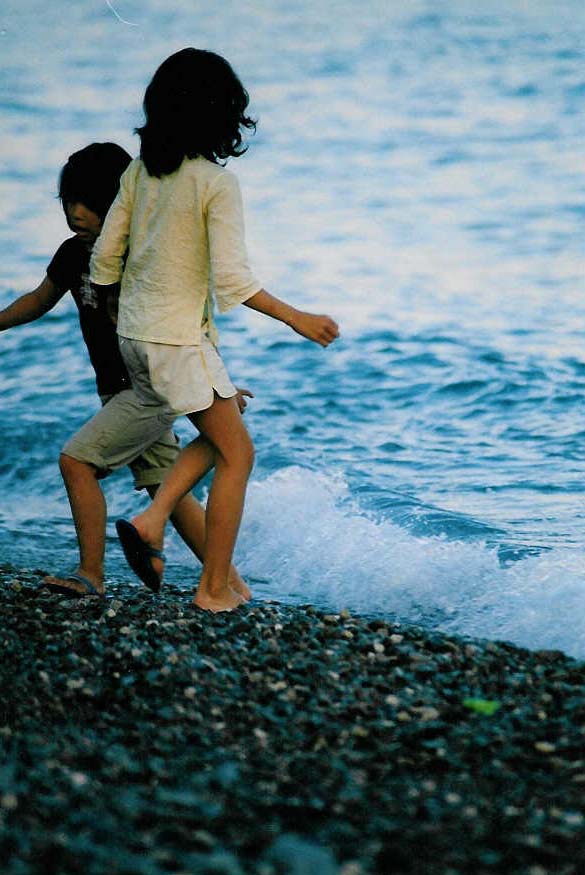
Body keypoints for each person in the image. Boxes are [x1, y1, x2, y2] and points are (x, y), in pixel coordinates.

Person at [89, 48, 339, 613]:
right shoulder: (214, 184)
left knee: (225, 430)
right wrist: (297, 317)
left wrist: (117, 318)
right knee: (238, 455)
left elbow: (106, 258)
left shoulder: (137, 172)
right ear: (222, 116)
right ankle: (213, 589)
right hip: (174, 341)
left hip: (136, 338)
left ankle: (153, 519)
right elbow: (232, 281)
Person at [0, 142, 250, 599]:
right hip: (118, 390)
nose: (76, 212)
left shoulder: (138, 257)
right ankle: (231, 584)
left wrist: (218, 386)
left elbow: (183, 322)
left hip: (147, 387)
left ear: (120, 201)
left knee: (77, 462)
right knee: (164, 487)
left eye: (89, 201)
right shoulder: (73, 254)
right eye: (68, 200)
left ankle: (90, 574)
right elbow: (39, 300)